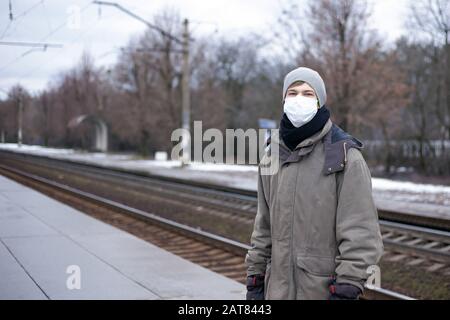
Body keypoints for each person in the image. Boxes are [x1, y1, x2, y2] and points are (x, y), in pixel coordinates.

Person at [245, 66, 384, 300]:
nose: (299, 99)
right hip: (276, 291)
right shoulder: (271, 155)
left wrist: (347, 287)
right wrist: (255, 279)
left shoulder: (344, 156)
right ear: (283, 100)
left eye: (308, 93)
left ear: (319, 101)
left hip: (320, 293)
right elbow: (263, 226)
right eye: (293, 92)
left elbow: (361, 234)